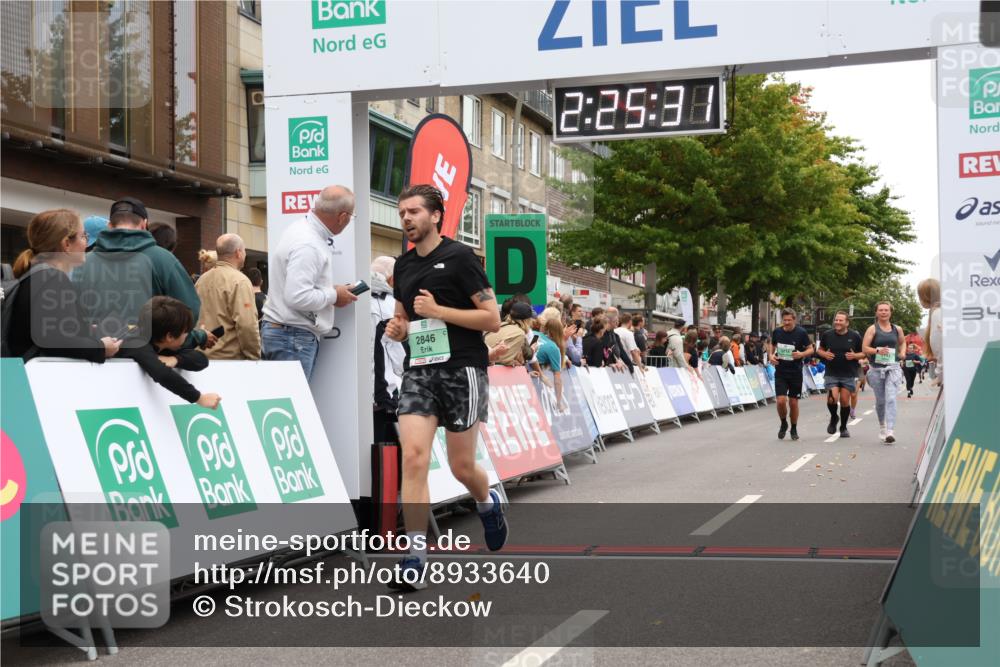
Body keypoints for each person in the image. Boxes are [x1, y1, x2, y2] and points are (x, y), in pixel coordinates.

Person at [383, 184, 506, 590]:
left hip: (462, 369)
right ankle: (415, 554)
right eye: (402, 212)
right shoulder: (402, 266)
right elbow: (404, 321)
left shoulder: (459, 257)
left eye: (414, 211)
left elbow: (492, 319)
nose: (406, 218)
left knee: (460, 467)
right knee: (414, 458)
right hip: (419, 370)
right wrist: (398, 329)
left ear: (435, 216)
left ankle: (487, 503)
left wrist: (439, 311)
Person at [261, 186, 358, 380]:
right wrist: (334, 295)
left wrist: (331, 294)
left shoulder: (300, 230)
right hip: (292, 336)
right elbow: (297, 296)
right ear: (343, 216)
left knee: (285, 405)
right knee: (291, 406)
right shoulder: (309, 244)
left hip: (286, 333)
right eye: (351, 217)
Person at [76, 197, 203, 344]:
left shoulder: (83, 262)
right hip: (149, 359)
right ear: (144, 224)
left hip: (95, 359)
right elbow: (189, 312)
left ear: (110, 225)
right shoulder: (163, 259)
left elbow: (70, 316)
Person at [4, 209, 120, 362]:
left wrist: (85, 330)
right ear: (66, 244)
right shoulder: (53, 278)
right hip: (41, 381)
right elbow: (55, 340)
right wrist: (101, 347)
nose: (86, 242)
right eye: (83, 236)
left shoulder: (36, 276)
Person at [117, 296, 220, 408]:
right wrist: (199, 398)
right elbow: (162, 374)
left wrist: (174, 360)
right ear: (170, 336)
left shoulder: (162, 342)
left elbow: (201, 360)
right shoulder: (136, 343)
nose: (187, 336)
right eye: (186, 332)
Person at [196, 234, 261, 360]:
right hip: (229, 359)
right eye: (244, 250)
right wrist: (254, 357)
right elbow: (247, 325)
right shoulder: (240, 281)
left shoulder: (201, 280)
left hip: (202, 355)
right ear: (238, 253)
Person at [370, 256, 406, 444]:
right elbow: (397, 350)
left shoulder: (359, 296)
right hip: (385, 387)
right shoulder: (390, 304)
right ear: (391, 279)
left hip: (364, 388)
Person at [861, 301, 906, 444]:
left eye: (886, 310)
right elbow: (864, 348)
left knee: (891, 398)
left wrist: (903, 352)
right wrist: (877, 350)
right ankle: (882, 426)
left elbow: (902, 342)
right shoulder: (872, 329)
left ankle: (890, 431)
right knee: (881, 401)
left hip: (893, 368)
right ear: (876, 312)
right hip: (876, 368)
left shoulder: (897, 329)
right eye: (880, 310)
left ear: (890, 312)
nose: (883, 312)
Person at [816, 311, 864, 438]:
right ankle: (833, 417)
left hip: (848, 373)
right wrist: (824, 354)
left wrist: (855, 356)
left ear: (847, 322)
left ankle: (843, 427)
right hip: (832, 372)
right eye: (836, 320)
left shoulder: (855, 336)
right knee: (832, 399)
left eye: (840, 320)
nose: (837, 322)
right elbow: (819, 350)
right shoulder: (827, 335)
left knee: (844, 400)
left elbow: (864, 353)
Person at [769, 309, 814, 441]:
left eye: (789, 320)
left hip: (795, 372)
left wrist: (801, 354)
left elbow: (811, 349)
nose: (787, 323)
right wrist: (771, 356)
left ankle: (793, 428)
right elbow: (772, 345)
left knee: (793, 403)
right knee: (781, 401)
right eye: (785, 320)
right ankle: (784, 423)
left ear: (794, 320)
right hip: (781, 372)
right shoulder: (777, 331)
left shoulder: (801, 332)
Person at [531, 307, 567, 406]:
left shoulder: (533, 334)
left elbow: (527, 355)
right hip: (532, 377)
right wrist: (559, 402)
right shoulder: (553, 348)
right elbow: (557, 379)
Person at [485, 301, 533, 367]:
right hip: (490, 369)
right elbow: (503, 359)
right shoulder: (519, 333)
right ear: (527, 320)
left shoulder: (501, 325)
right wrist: (514, 362)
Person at [918, 278, 942, 385]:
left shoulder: (937, 314)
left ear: (926, 296)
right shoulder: (939, 312)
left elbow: (941, 349)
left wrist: (940, 375)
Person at [603, 307, 634, 372]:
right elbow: (605, 350)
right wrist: (610, 363)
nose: (617, 323)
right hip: (607, 366)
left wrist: (630, 365)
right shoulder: (602, 334)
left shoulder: (615, 335)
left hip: (614, 366)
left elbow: (622, 351)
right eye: (615, 321)